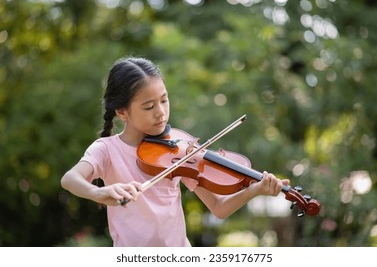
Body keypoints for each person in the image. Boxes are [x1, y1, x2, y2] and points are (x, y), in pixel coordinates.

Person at [60, 56, 290, 247]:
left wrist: (256, 189)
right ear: (122, 112)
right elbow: (70, 179)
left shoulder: (178, 147)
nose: (160, 112)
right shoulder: (107, 150)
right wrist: (98, 193)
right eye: (149, 106)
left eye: (164, 100)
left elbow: (218, 208)